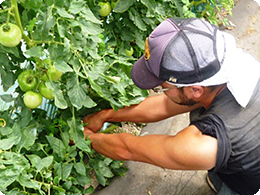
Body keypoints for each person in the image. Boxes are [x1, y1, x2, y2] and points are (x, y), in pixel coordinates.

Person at [83, 18, 260, 195]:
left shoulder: (203, 144)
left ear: (195, 90)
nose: (160, 91)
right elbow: (163, 106)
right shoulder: (224, 67)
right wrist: (106, 115)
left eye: (162, 87)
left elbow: (128, 148)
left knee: (233, 185)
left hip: (250, 186)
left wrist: (85, 138)